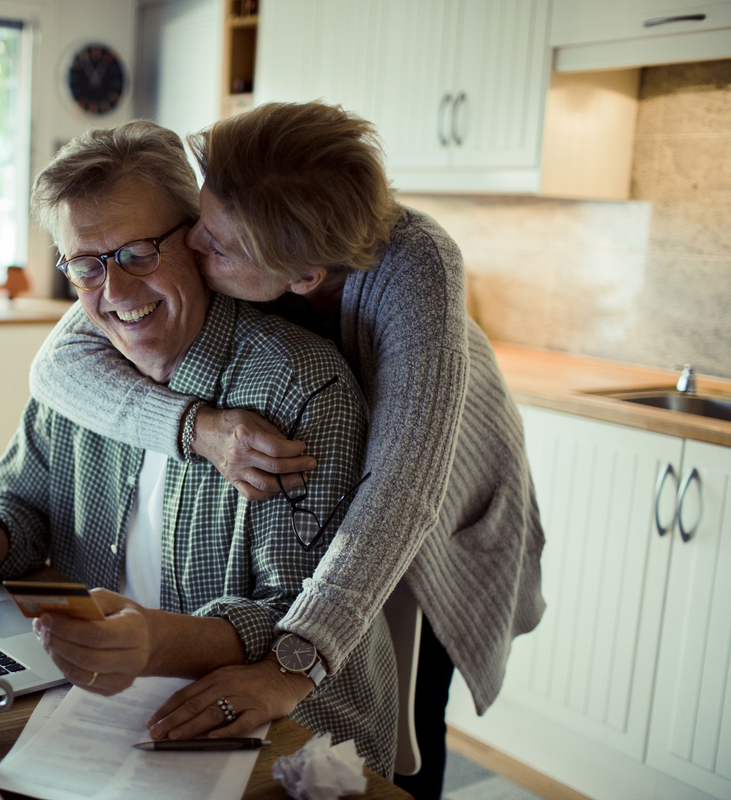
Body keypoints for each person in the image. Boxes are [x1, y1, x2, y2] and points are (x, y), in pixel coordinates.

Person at [27, 102, 546, 800]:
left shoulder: (414, 269)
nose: (192, 252)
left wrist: (290, 669)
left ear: (300, 277)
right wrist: (199, 428)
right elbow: (56, 364)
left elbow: (402, 494)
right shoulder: (254, 226)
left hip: (446, 516)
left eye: (211, 246)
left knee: (409, 725)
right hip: (375, 491)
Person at [0, 120, 398, 777]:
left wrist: (154, 643)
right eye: (86, 265)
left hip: (287, 737)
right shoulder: (80, 367)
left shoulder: (298, 388)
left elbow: (303, 620)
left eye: (137, 254)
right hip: (105, 708)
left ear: (199, 238)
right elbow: (19, 497)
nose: (115, 294)